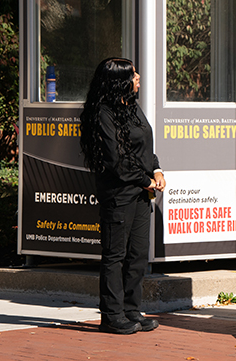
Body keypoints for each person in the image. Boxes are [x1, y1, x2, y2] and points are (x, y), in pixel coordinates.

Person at [80, 58, 165, 334]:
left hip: (142, 192)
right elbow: (117, 159)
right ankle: (112, 315)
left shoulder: (132, 106)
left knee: (137, 255)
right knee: (115, 255)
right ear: (119, 81)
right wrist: (146, 181)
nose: (138, 77)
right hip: (120, 194)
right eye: (132, 74)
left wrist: (157, 168)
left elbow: (144, 145)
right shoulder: (103, 113)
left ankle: (131, 310)